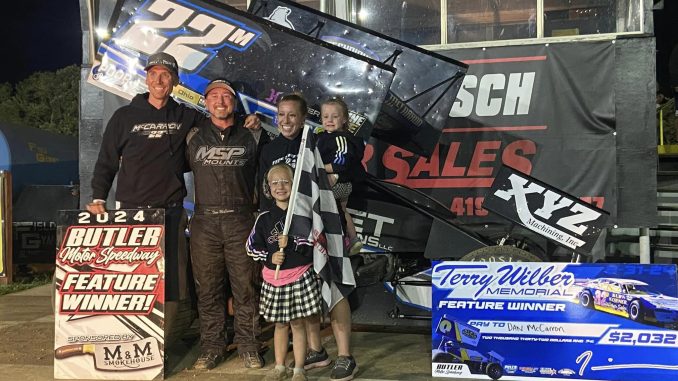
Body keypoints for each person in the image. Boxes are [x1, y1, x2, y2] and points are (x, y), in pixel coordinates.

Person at [86, 52, 260, 350]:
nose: (159, 80)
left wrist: (247, 120)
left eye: (166, 75)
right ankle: (127, 345)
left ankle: (156, 351)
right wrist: (99, 196)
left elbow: (218, 121)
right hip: (131, 214)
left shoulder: (185, 116)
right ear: (146, 78)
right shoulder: (124, 117)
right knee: (130, 284)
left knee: (172, 287)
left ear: (175, 81)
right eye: (153, 74)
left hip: (171, 212)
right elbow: (106, 162)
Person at [258, 94, 359, 381]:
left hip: (323, 224)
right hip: (290, 232)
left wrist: (334, 199)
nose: (286, 120)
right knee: (305, 289)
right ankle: (316, 350)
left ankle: (345, 356)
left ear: (304, 118)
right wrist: (270, 228)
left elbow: (347, 178)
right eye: (281, 114)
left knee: (334, 284)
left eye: (292, 115)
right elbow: (266, 192)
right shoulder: (270, 149)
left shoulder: (319, 141)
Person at [186, 78, 267, 370]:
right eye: (214, 96)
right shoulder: (192, 135)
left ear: (234, 102)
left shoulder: (253, 135)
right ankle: (212, 347)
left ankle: (248, 345)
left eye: (226, 96)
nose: (220, 102)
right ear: (205, 102)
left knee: (246, 287)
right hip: (204, 221)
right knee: (207, 288)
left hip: (241, 219)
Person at [246, 163, 322, 381]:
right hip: (274, 278)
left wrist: (293, 244)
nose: (280, 186)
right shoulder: (264, 218)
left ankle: (299, 368)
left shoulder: (303, 215)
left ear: (294, 185)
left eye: (285, 182)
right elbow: (251, 247)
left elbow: (313, 245)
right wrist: (270, 257)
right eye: (275, 182)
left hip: (299, 275)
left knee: (298, 324)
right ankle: (279, 366)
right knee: (279, 324)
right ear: (268, 187)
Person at [317, 97, 365, 254]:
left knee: (321, 206)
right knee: (342, 210)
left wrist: (317, 167)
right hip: (338, 183)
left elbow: (340, 164)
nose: (329, 120)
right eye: (325, 116)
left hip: (340, 183)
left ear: (344, 119)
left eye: (335, 116)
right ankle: (353, 239)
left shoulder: (340, 138)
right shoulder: (323, 136)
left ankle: (339, 241)